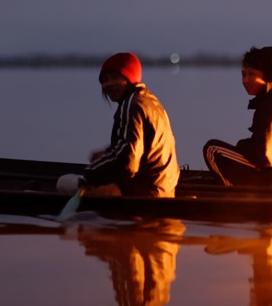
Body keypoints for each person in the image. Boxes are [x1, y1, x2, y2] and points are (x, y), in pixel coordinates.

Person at [57, 52, 180, 198]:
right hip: (164, 189)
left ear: (129, 78)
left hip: (142, 193)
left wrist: (89, 175)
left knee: (63, 182)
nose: (108, 85)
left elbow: (127, 162)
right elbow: (139, 147)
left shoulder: (131, 105)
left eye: (115, 77)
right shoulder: (151, 101)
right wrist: (108, 153)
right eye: (105, 80)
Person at [203, 45, 272, 188]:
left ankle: (234, 197)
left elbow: (266, 157)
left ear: (269, 75)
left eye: (251, 74)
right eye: (243, 74)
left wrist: (242, 146)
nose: (245, 80)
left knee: (212, 149)